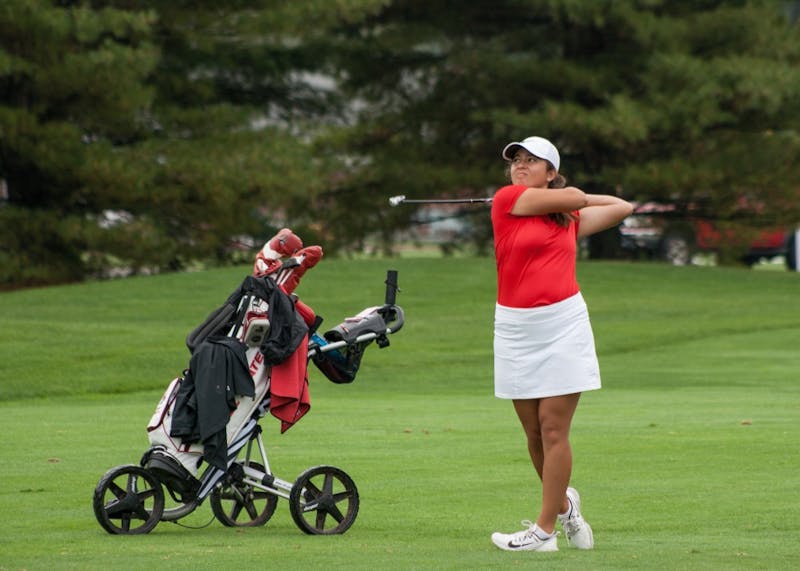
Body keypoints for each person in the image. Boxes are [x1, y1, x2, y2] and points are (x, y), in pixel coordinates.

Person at [489, 136, 633, 552]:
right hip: (515, 329)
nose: (520, 165)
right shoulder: (506, 200)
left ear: (551, 172)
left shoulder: (567, 217)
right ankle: (567, 505)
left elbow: (622, 208)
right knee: (533, 434)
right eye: (516, 159)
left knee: (553, 429)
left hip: (563, 325)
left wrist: (574, 200)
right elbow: (573, 197)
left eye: (532, 161)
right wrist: (569, 197)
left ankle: (544, 531)